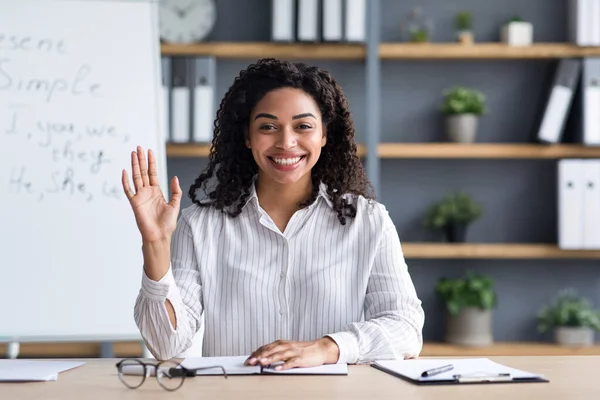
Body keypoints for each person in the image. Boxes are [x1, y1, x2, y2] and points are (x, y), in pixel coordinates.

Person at [122, 58, 425, 370]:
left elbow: (405, 328)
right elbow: (165, 345)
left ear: (324, 135)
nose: (286, 142)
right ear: (247, 136)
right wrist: (156, 243)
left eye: (303, 126)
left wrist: (327, 347)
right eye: (268, 127)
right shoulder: (199, 226)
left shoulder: (368, 221)